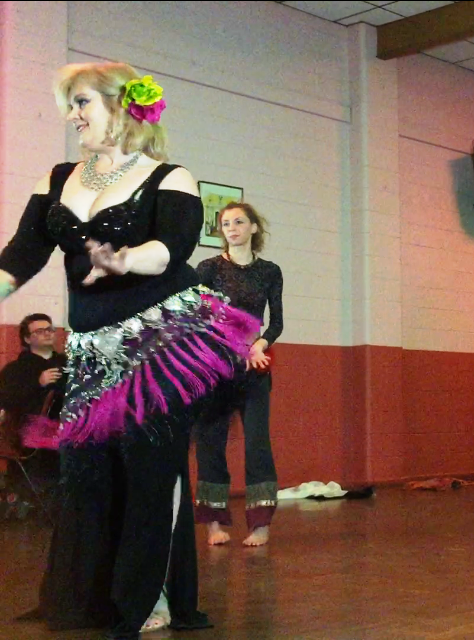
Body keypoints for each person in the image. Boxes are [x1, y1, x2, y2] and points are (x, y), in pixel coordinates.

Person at [0, 62, 259, 639]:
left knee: (149, 472)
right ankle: (87, 597)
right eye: (71, 105)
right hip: (91, 346)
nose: (72, 116)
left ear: (122, 108)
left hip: (159, 342)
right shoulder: (59, 177)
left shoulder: (172, 177)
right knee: (85, 472)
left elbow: (171, 248)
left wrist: (123, 258)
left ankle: (150, 598)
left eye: (83, 103)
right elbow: (20, 255)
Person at [194, 202, 283, 547]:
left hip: (254, 368)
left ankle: (260, 523)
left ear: (253, 228)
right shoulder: (208, 268)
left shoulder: (270, 271)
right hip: (215, 368)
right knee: (210, 443)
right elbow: (199, 319)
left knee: (258, 443)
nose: (231, 228)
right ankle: (215, 523)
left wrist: (259, 344)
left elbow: (275, 321)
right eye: (226, 223)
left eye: (238, 222)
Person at [0, 313, 67, 512]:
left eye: (50, 329)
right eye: (40, 331)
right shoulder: (16, 369)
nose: (47, 334)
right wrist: (38, 384)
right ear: (27, 339)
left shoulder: (66, 364)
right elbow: (8, 401)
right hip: (29, 430)